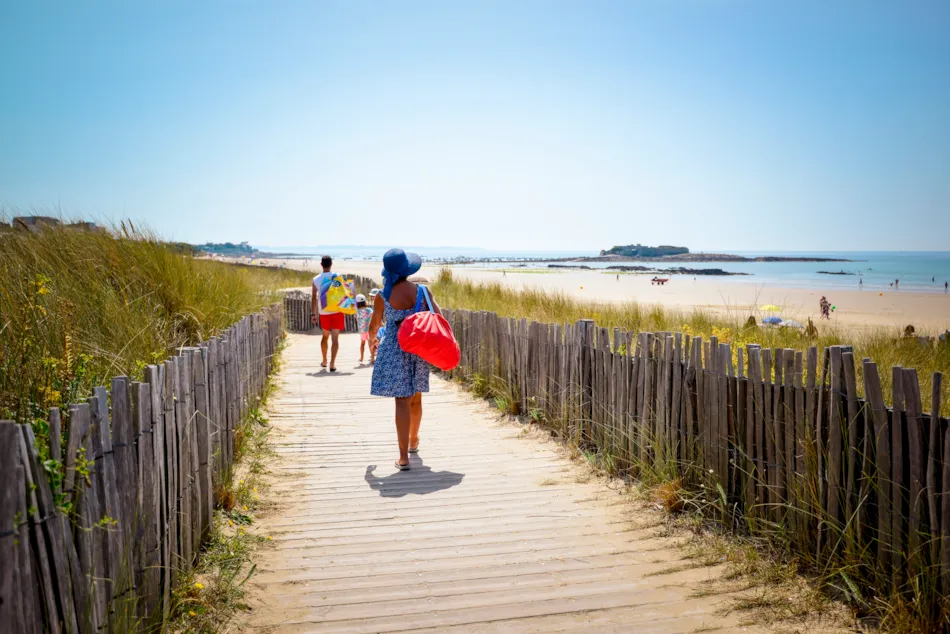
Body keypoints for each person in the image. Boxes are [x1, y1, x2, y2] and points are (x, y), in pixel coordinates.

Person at [369, 248, 442, 471]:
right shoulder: (423, 291)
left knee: (401, 400)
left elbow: (374, 326)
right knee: (416, 397)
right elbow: (438, 317)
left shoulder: (383, 296)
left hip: (395, 349)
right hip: (418, 348)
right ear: (407, 270)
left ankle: (403, 457)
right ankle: (413, 441)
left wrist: (373, 340)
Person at [311, 255, 344, 372]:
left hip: (323, 312)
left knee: (325, 336)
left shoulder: (316, 279)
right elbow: (344, 293)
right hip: (337, 311)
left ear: (321, 264)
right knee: (335, 339)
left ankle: (324, 360)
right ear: (331, 264)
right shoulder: (338, 276)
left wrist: (313, 314)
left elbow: (314, 298)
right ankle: (332, 364)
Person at [355, 294, 375, 364]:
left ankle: (361, 358)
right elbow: (373, 317)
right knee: (371, 343)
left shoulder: (356, 311)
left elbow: (357, 320)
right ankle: (372, 358)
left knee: (362, 344)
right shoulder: (369, 310)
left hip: (362, 330)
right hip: (369, 329)